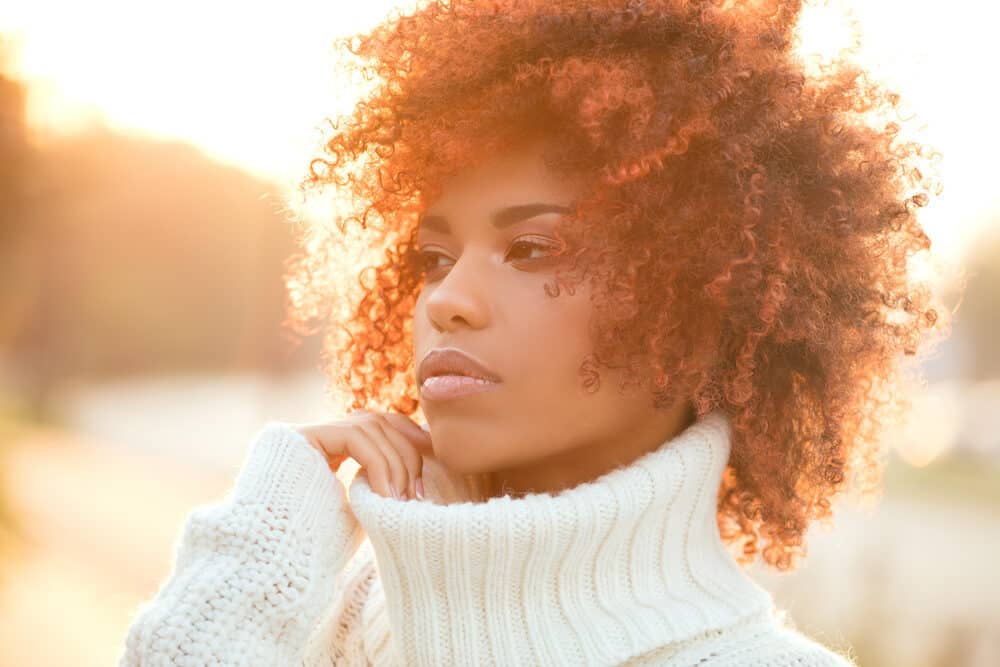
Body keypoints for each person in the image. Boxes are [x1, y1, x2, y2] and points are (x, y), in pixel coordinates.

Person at [118, 0, 948, 664]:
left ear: (701, 304)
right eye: (433, 257)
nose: (449, 300)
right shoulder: (325, 626)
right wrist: (262, 543)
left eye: (531, 248)